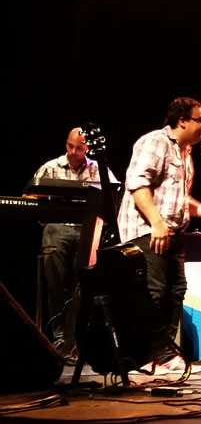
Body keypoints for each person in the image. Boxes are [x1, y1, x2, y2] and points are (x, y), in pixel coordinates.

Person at [118, 97, 201, 370]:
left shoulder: (185, 152)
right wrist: (156, 223)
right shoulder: (155, 142)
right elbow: (137, 184)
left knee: (176, 292)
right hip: (147, 231)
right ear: (181, 120)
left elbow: (182, 199)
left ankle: (165, 355)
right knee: (153, 293)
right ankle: (147, 357)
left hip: (172, 233)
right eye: (200, 119)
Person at [34, 127, 118, 362]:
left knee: (83, 286)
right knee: (55, 282)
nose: (73, 152)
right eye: (70, 146)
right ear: (66, 144)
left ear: (87, 148)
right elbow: (32, 197)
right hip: (57, 228)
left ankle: (76, 341)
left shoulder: (99, 169)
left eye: (79, 148)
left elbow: (115, 195)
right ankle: (60, 338)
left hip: (86, 230)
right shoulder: (50, 167)